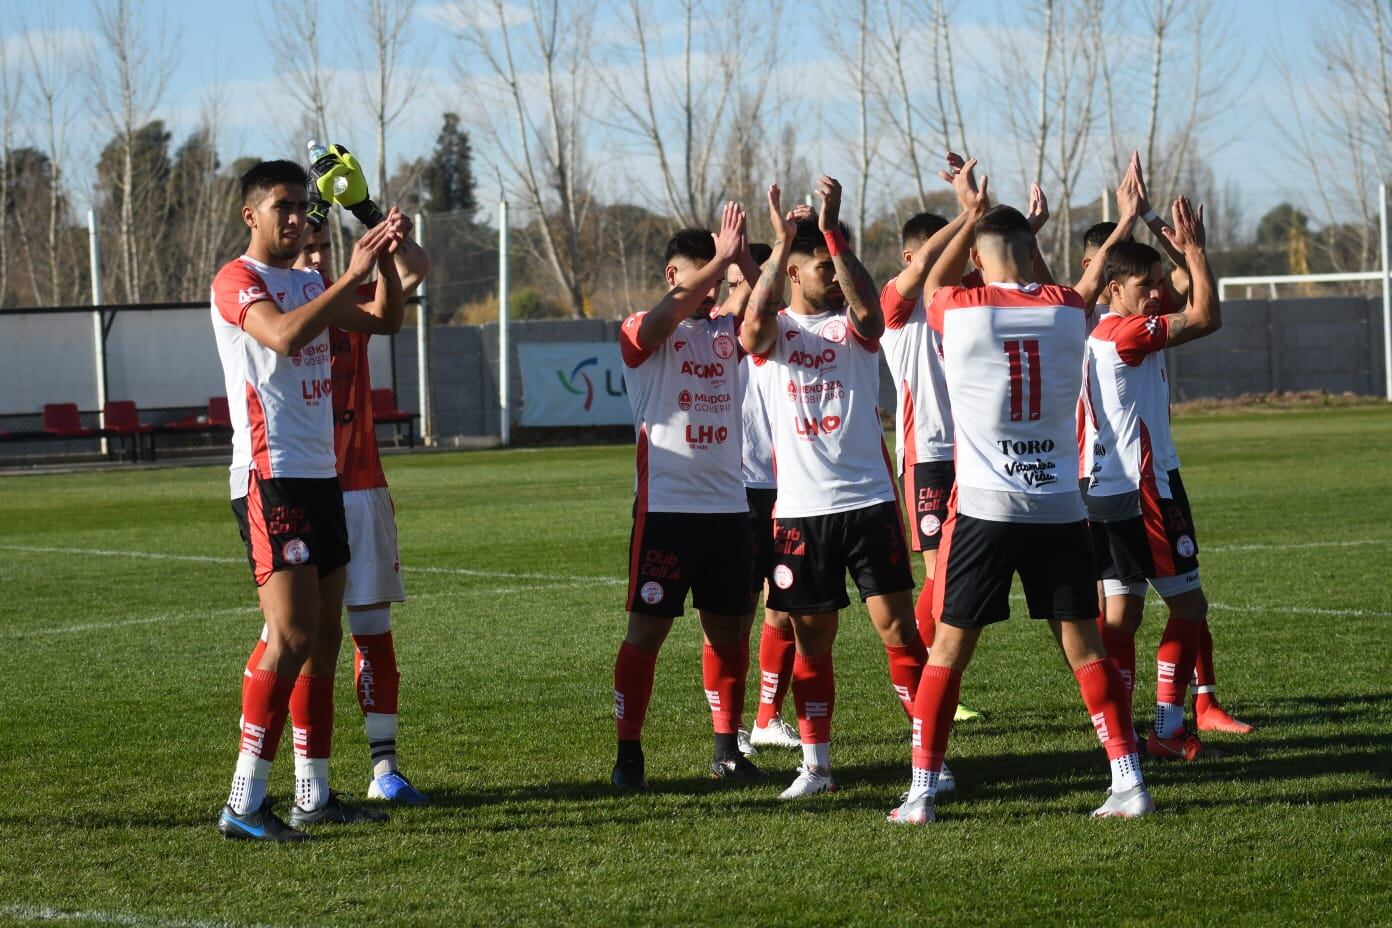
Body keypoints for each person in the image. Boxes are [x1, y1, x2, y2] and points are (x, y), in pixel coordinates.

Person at [888, 158, 1149, 825]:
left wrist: (966, 208)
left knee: (948, 650)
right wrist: (1123, 218)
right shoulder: (1066, 309)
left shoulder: (960, 311)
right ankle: (1128, 781)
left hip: (985, 507)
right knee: (1085, 647)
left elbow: (935, 277)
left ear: (977, 254)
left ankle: (920, 792)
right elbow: (1094, 276)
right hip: (1060, 505)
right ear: (1033, 250)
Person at [212, 160, 403, 841]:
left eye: (301, 206)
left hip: (322, 477)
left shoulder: (307, 279)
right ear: (252, 215)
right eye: (282, 206)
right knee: (289, 634)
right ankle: (243, 798)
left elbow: (386, 317)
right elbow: (284, 336)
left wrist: (381, 250)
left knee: (323, 639)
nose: (295, 217)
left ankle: (313, 794)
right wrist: (350, 275)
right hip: (272, 477)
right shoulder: (239, 280)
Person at [740, 181, 927, 800]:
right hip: (800, 512)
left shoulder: (854, 327)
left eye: (835, 265)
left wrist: (833, 231)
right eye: (821, 267)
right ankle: (817, 767)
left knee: (899, 631)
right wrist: (784, 241)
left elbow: (871, 310)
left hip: (870, 502)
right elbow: (750, 327)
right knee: (811, 639)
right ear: (793, 272)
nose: (834, 276)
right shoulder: (774, 334)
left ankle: (931, 758)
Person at [612, 203, 768, 789]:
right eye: (693, 274)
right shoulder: (641, 330)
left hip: (728, 509)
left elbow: (768, 308)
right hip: (667, 512)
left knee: (729, 633)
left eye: (714, 274)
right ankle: (629, 755)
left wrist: (748, 257)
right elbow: (658, 322)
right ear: (670, 277)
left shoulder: (730, 331)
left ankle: (727, 751)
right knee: (646, 633)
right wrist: (719, 265)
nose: (706, 288)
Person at [1081, 193, 1236, 759]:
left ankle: (1119, 731)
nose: (1155, 294)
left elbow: (1185, 295)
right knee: (1190, 607)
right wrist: (1193, 249)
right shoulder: (1127, 333)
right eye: (1145, 285)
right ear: (1114, 288)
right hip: (1148, 488)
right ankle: (1170, 729)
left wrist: (1153, 224)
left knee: (1119, 616)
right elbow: (1206, 314)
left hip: (1102, 488)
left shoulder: (1093, 330)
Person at [715, 243, 802, 756]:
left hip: (791, 487)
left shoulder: (781, 328)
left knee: (786, 608)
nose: (736, 292)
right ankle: (732, 728)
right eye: (728, 285)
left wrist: (787, 238)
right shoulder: (717, 331)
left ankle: (768, 717)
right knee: (736, 613)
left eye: (743, 281)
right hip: (738, 490)